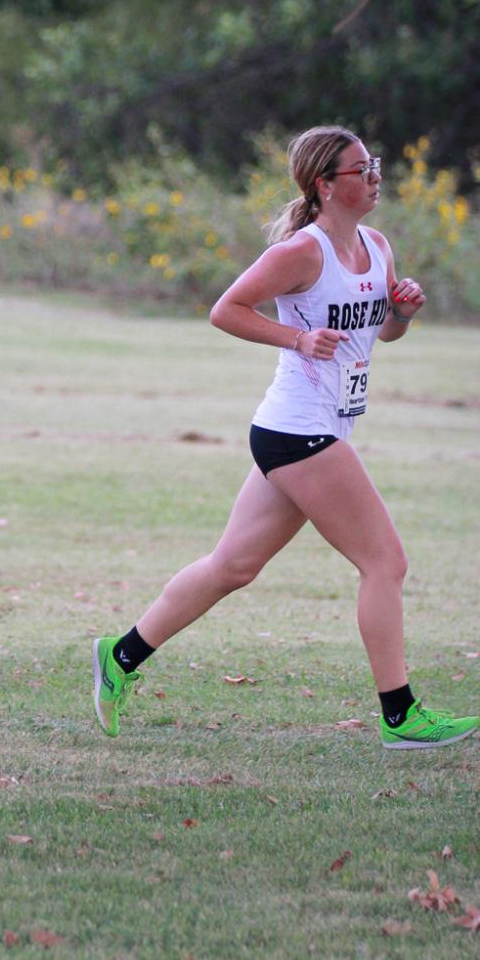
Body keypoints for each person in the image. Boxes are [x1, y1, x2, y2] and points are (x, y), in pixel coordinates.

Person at [92, 126, 478, 752]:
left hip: (305, 430)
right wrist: (297, 338)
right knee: (386, 562)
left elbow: (380, 336)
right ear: (325, 185)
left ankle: (120, 655)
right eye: (361, 169)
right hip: (300, 430)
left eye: (374, 165)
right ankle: (401, 716)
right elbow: (226, 309)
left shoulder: (377, 246)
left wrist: (401, 313)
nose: (375, 176)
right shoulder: (304, 252)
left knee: (233, 567)